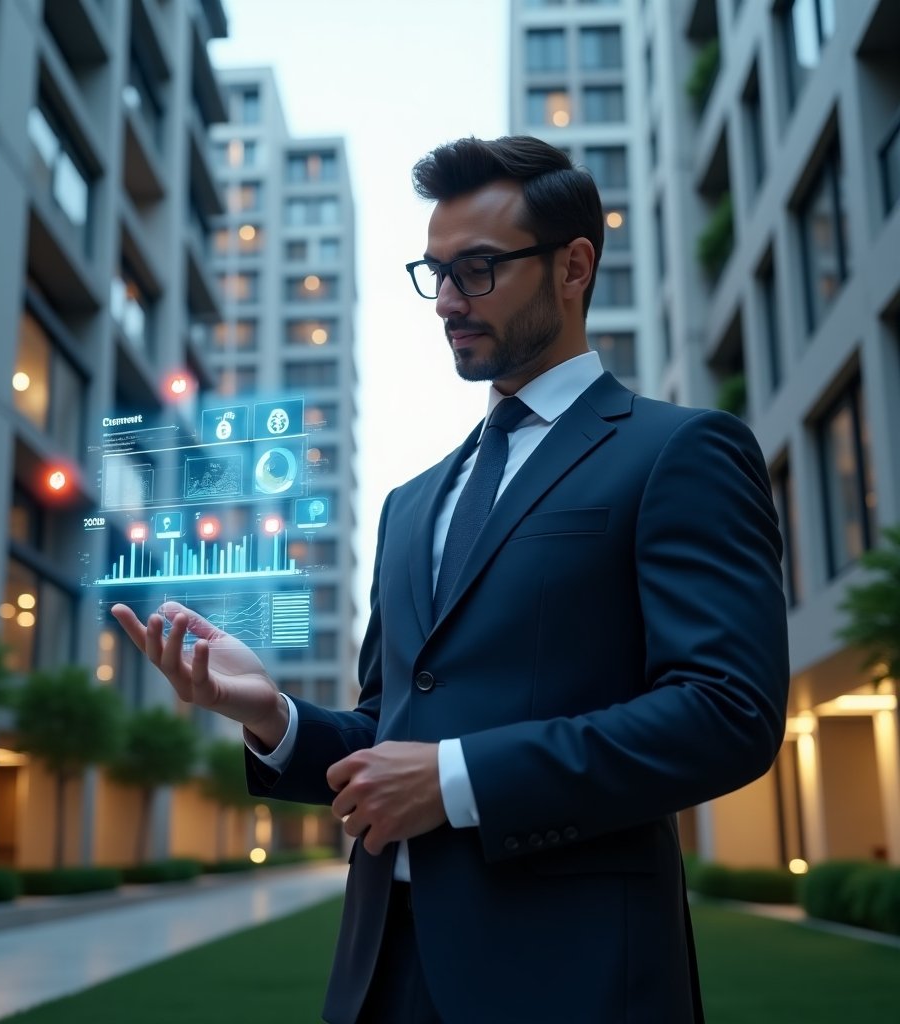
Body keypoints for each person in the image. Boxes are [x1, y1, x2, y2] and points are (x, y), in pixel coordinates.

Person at [112, 135, 789, 1024]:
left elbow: (726, 712)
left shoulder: (678, 451)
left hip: (572, 975)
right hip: (380, 970)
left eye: (477, 270)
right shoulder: (410, 501)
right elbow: (392, 725)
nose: (446, 303)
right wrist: (271, 717)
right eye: (434, 273)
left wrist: (459, 779)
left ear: (574, 266)